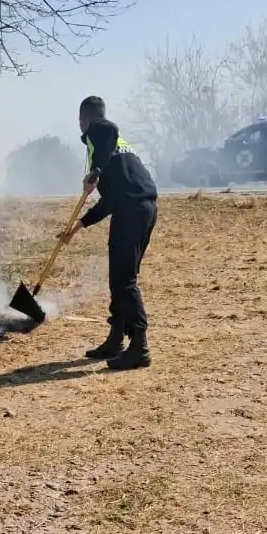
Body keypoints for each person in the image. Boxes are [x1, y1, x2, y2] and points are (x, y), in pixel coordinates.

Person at [58, 95, 157, 370]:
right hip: (140, 208)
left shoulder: (99, 132)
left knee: (124, 281)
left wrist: (96, 170)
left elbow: (108, 127)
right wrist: (79, 225)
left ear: (83, 120)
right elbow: (111, 199)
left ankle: (139, 347)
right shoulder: (113, 147)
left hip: (133, 211)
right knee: (120, 279)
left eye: (82, 122)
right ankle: (116, 339)